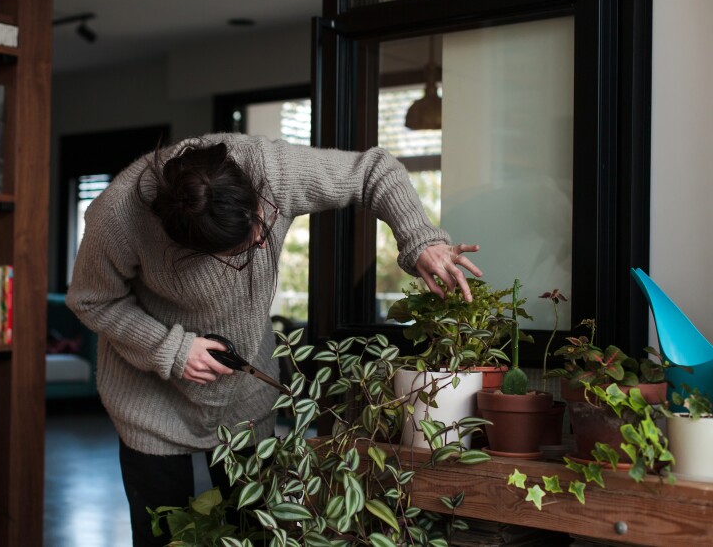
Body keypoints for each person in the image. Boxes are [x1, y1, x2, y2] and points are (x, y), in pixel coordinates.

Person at [65, 133, 482, 546]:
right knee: (161, 537)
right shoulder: (117, 215)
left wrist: (420, 240)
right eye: (241, 251)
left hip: (245, 397)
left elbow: (374, 171)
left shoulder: (269, 168)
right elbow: (91, 300)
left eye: (261, 225)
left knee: (255, 532)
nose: (263, 238)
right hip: (149, 401)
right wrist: (170, 348)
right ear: (187, 247)